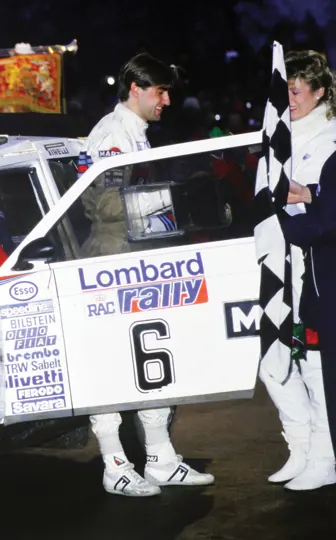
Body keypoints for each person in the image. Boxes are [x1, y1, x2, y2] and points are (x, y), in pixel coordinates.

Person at [81, 53, 215, 497]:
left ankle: (159, 458)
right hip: (112, 260)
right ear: (135, 89)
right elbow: (99, 204)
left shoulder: (134, 134)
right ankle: (115, 464)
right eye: (160, 91)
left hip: (139, 259)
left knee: (152, 359)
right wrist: (169, 201)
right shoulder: (112, 135)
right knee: (115, 365)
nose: (168, 100)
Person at [265, 50, 336, 491]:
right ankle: (302, 447)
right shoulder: (279, 134)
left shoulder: (330, 139)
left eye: (294, 92)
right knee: (272, 360)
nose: (288, 100)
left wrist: (301, 202)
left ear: (320, 93)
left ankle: (325, 457)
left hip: (314, 270)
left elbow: (326, 207)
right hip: (280, 268)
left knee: (314, 365)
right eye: (283, 92)